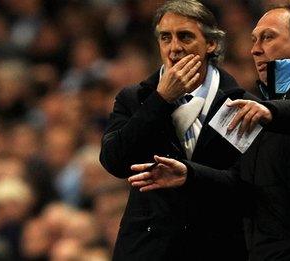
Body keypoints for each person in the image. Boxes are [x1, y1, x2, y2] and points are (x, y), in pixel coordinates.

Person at [129, 1, 290, 260]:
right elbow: (241, 184)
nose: (255, 50)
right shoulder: (260, 106)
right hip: (275, 252)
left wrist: (272, 112)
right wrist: (190, 174)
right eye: (254, 40)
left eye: (268, 38)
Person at [99, 0, 254, 260]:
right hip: (148, 247)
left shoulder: (241, 105)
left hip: (216, 245)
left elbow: (247, 184)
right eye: (165, 38)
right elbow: (114, 161)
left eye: (185, 37)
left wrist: (191, 175)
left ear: (211, 44)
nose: (174, 48)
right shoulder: (134, 98)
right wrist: (160, 100)